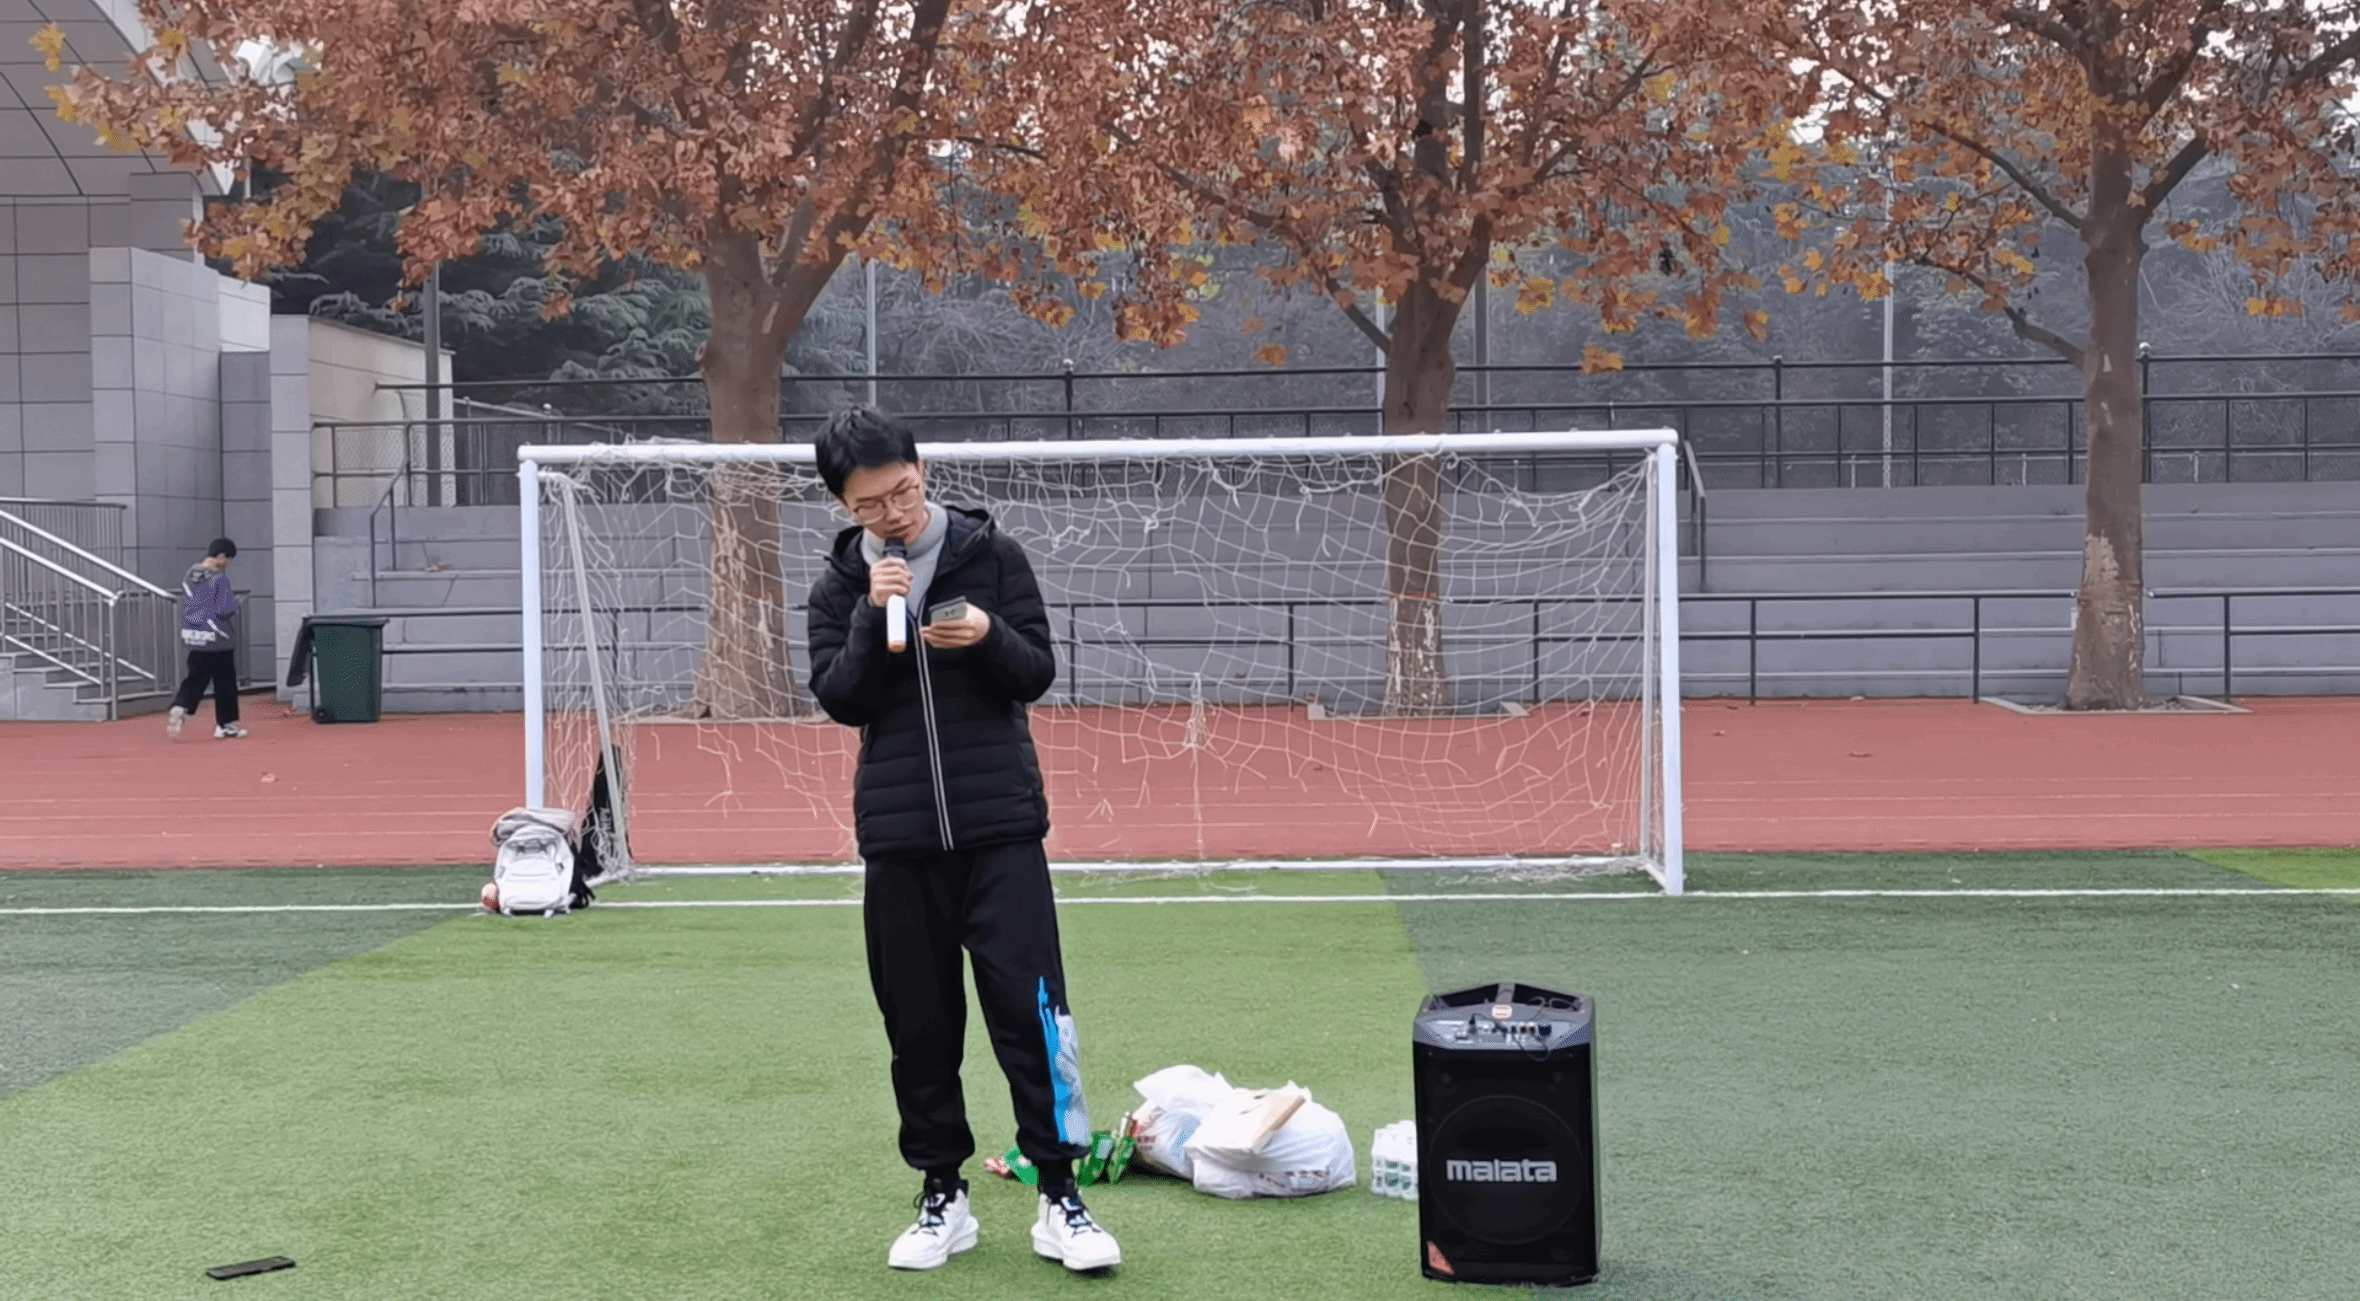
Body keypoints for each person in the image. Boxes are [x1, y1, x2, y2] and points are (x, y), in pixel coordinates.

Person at [803, 407, 1120, 1275]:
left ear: (923, 470)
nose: (893, 515)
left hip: (1002, 831)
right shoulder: (839, 585)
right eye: (870, 505)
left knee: (1034, 1013)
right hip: (899, 840)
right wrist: (872, 617)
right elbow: (841, 698)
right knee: (919, 1025)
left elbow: (1037, 671)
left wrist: (987, 635)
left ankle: (1062, 1195)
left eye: (903, 492)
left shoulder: (993, 555)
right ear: (844, 505)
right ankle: (942, 1191)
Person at [167, 538, 245, 739]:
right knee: (225, 682)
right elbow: (224, 609)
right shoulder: (219, 579)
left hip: (196, 635)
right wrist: (236, 603)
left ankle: (180, 705)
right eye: (228, 558)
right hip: (219, 637)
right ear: (221, 556)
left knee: (195, 677)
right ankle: (226, 724)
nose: (228, 563)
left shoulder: (189, 576)